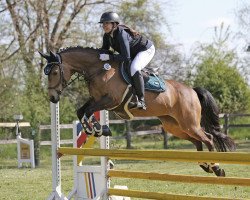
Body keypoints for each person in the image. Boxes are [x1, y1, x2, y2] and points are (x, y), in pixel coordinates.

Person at [98, 11, 155, 110]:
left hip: (145, 49)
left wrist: (110, 58)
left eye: (107, 23)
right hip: (132, 53)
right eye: (103, 23)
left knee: (134, 68)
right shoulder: (106, 36)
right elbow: (104, 51)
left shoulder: (121, 34)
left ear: (114, 24)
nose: (104, 26)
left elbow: (126, 57)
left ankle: (141, 100)